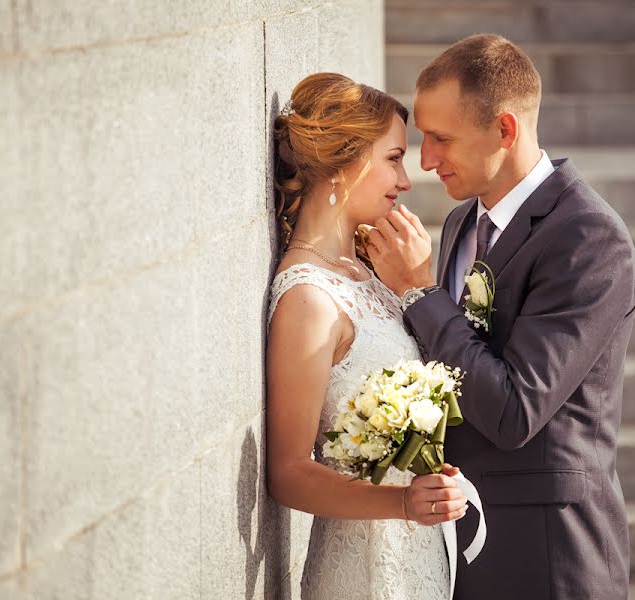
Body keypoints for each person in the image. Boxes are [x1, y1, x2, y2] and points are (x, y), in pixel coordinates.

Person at [365, 34, 635, 599]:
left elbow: (516, 410)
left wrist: (420, 293)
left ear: (505, 130)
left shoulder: (589, 238)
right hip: (464, 543)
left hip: (549, 553)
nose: (426, 160)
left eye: (441, 139)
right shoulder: (463, 223)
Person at [265, 72, 466, 600]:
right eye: (394, 158)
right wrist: (401, 503)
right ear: (344, 162)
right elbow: (288, 473)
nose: (406, 180)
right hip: (363, 572)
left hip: (419, 553)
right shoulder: (307, 299)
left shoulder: (369, 270)